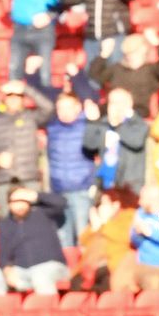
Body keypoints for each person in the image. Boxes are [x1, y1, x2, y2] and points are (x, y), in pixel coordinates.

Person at [0, 80, 54, 216]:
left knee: (35, 220)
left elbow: (49, 107)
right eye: (10, 96)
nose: (14, 100)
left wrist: (26, 88)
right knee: (7, 223)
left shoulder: (30, 117)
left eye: (17, 96)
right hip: (4, 181)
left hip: (29, 179)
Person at [0, 186, 70, 298]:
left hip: (52, 266)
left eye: (23, 200)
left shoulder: (43, 213)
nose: (19, 205)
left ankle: (46, 311)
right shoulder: (5, 225)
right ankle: (1, 312)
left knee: (40, 275)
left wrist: (36, 195)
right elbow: (3, 257)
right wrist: (7, 271)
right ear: (9, 204)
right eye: (15, 201)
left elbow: (62, 202)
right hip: (22, 270)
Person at [47, 92, 96, 248]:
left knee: (83, 235)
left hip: (80, 189)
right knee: (63, 237)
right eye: (60, 108)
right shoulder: (53, 128)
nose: (64, 112)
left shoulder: (88, 126)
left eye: (69, 107)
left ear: (78, 108)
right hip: (58, 190)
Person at [88, 29, 159, 118]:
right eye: (128, 53)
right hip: (114, 108)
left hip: (137, 111)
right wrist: (104, 54)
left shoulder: (151, 70)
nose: (130, 56)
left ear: (143, 50)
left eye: (134, 52)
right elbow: (95, 75)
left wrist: (157, 44)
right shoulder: (117, 68)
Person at [83, 88, 149, 195]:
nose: (116, 107)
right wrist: (92, 123)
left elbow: (136, 142)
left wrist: (118, 125)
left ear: (130, 104)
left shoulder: (138, 124)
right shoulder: (103, 124)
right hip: (104, 185)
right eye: (113, 103)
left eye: (120, 103)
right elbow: (90, 145)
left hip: (129, 187)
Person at [71, 187, 137, 293]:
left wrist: (104, 223)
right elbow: (83, 241)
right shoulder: (100, 220)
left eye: (104, 203)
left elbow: (124, 238)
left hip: (113, 264)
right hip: (90, 266)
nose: (100, 207)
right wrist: (94, 228)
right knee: (76, 283)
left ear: (116, 204)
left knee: (104, 283)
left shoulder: (128, 216)